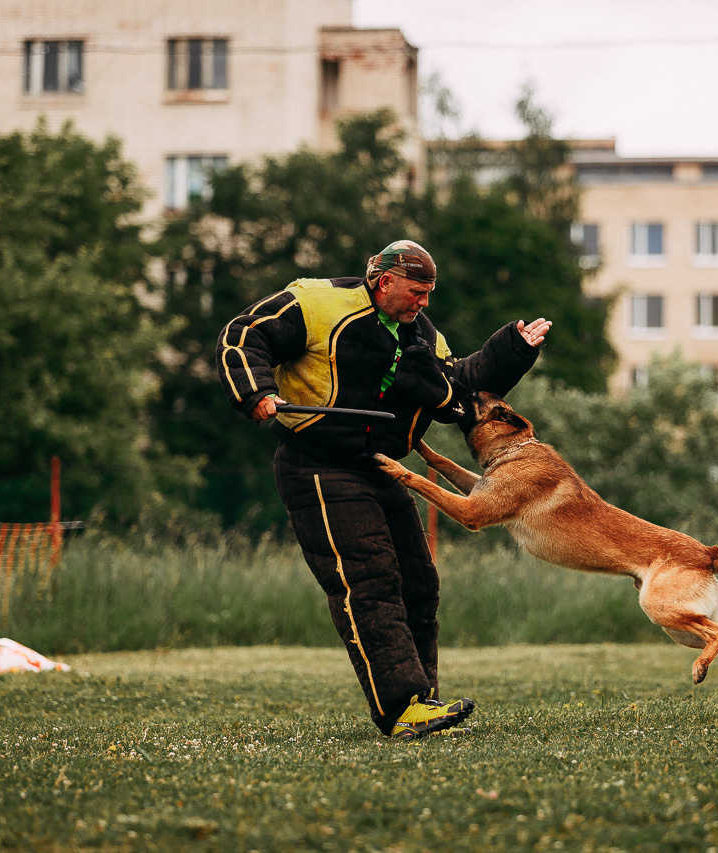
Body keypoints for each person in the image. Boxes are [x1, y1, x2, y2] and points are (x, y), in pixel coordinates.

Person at [216, 239, 550, 739]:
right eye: (417, 291)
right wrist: (256, 392)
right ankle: (401, 709)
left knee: (419, 584)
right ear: (384, 280)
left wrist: (514, 349)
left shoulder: (424, 334)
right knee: (368, 581)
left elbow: (459, 386)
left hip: (382, 466)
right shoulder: (316, 302)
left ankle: (426, 704)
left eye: (429, 293)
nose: (424, 303)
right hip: (317, 465)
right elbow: (242, 336)